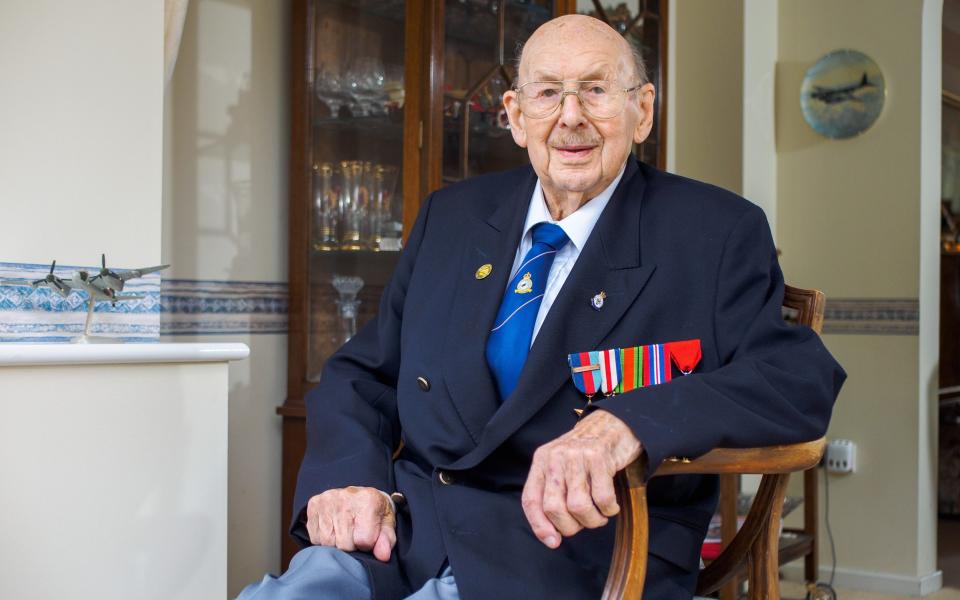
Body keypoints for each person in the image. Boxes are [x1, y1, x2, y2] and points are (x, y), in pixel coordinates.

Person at [239, 14, 845, 600]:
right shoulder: (452, 219)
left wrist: (628, 422)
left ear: (643, 111)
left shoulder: (714, 231)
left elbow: (797, 379)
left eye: (596, 91)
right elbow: (361, 374)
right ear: (515, 116)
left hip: (581, 554)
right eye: (548, 93)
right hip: (408, 530)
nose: (570, 118)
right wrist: (349, 481)